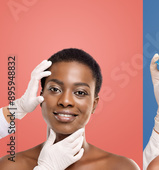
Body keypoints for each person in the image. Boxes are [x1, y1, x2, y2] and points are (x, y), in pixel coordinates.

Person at [0, 48, 139, 169]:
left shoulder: (121, 167)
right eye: (55, 89)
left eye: (80, 92)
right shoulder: (11, 165)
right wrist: (15, 109)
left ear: (94, 105)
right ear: (40, 98)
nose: (65, 101)